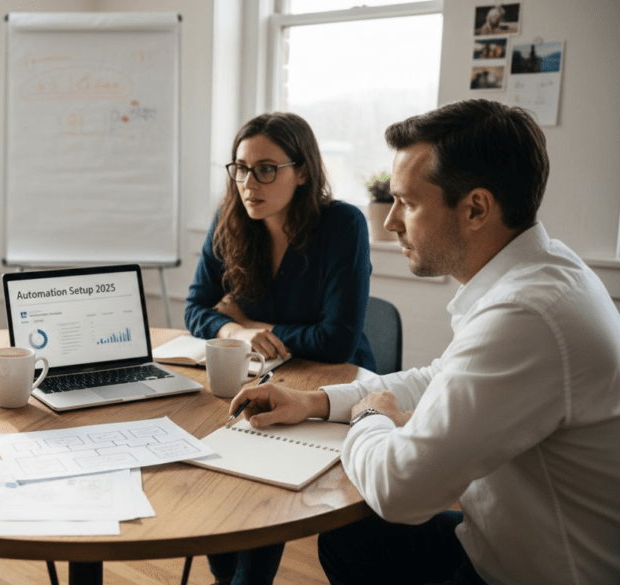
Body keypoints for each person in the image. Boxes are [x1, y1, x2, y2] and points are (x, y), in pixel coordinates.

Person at [226, 99, 620, 584]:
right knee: (353, 538)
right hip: (502, 541)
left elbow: (399, 493)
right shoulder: (539, 273)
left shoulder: (526, 314)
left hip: (533, 573)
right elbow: (440, 377)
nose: (391, 222)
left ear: (476, 208)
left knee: (369, 522)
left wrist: (370, 416)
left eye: (408, 203)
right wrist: (315, 401)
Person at [184, 112, 375, 584]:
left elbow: (336, 339)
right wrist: (235, 333)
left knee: (260, 491)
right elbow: (196, 307)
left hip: (332, 388)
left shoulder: (342, 224)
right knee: (212, 459)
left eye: (266, 169)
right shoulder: (230, 220)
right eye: (241, 168)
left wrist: (253, 323)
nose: (249, 183)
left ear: (302, 171)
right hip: (261, 376)